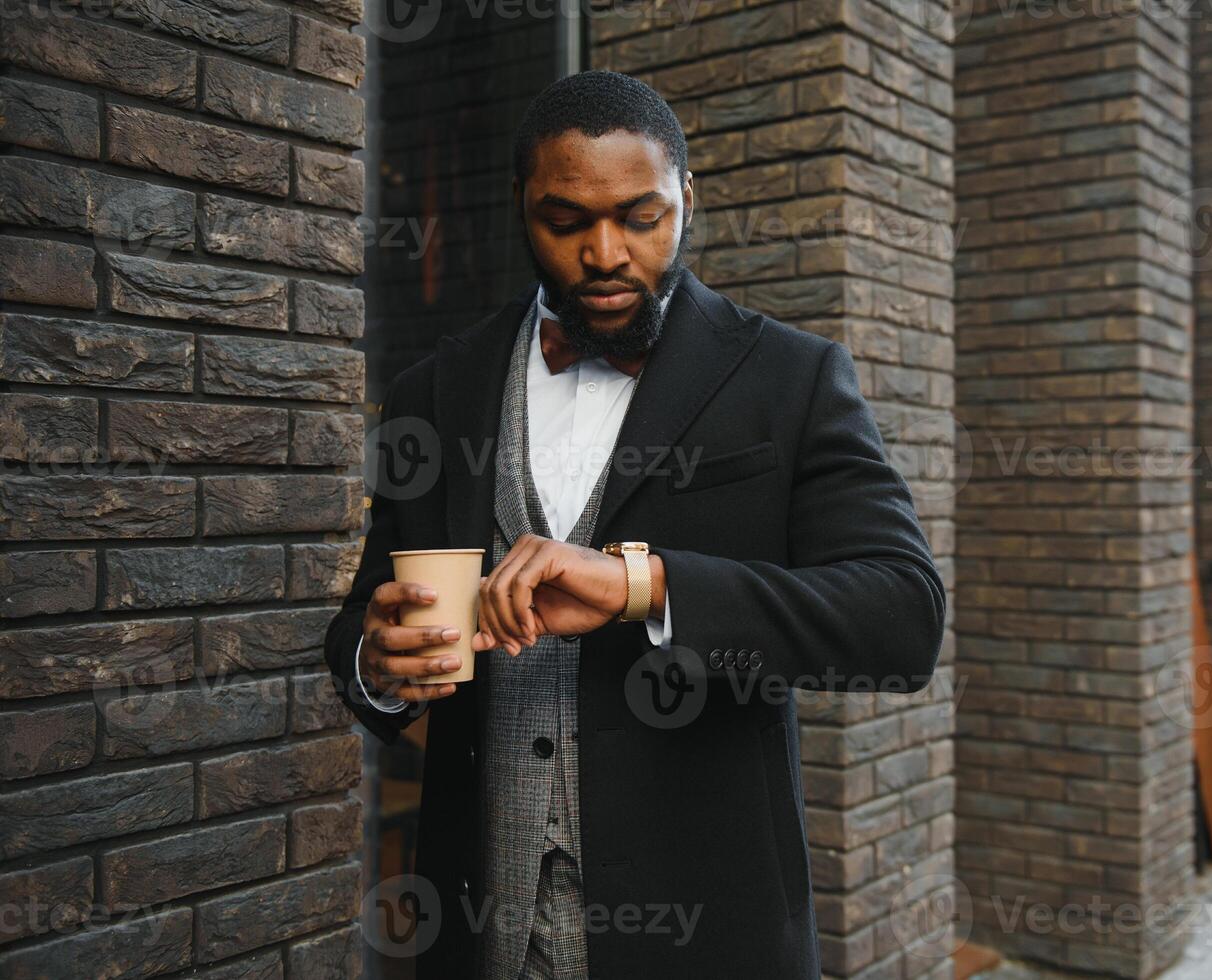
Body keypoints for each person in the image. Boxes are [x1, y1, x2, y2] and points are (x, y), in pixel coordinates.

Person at [323, 69, 945, 980]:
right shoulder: (437, 392)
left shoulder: (791, 378)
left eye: (640, 217)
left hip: (706, 937)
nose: (605, 252)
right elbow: (361, 624)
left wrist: (647, 587)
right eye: (565, 222)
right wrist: (376, 667)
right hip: (479, 934)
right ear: (521, 208)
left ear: (686, 201)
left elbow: (902, 616)